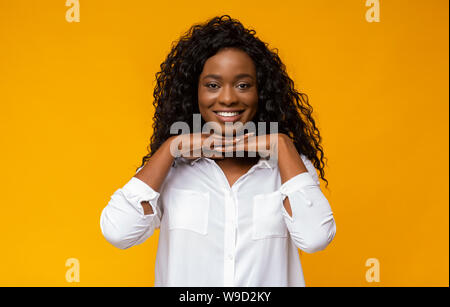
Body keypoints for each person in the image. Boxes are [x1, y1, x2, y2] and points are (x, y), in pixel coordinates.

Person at [100, 15, 336, 287]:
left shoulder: (289, 168)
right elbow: (118, 232)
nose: (227, 98)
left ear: (261, 93)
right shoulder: (170, 169)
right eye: (212, 85)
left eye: (243, 85)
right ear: (194, 92)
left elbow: (316, 238)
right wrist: (169, 148)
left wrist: (282, 144)